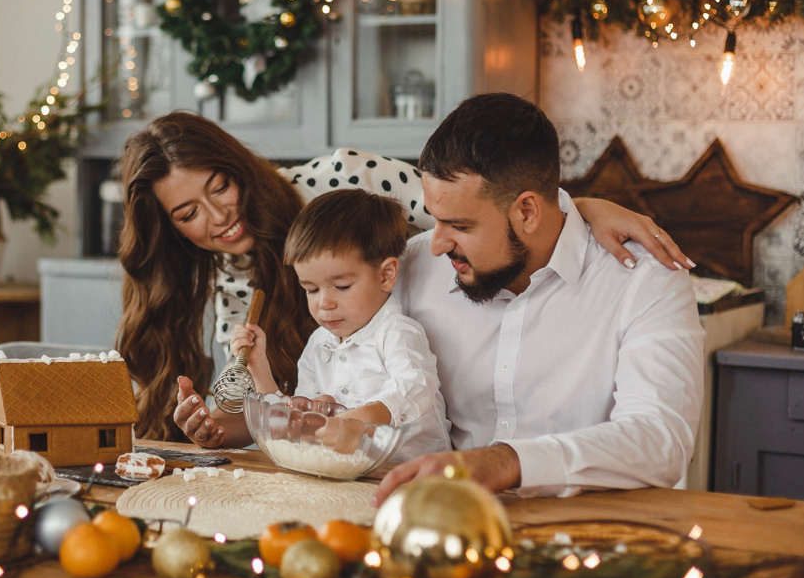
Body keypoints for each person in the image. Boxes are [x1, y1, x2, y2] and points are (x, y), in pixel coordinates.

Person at [116, 110, 689, 443]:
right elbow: (287, 409)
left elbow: (476, 204)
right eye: (189, 214)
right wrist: (218, 425)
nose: (219, 218)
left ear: (238, 166)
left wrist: (582, 209)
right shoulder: (235, 285)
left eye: (219, 187)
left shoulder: (343, 178)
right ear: (170, 231)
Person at [371, 92, 706, 505]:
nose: (438, 244)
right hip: (438, 526)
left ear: (528, 212)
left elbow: (660, 441)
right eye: (435, 219)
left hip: (595, 539)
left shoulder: (644, 280)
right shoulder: (411, 268)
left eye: (458, 224)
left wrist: (505, 463)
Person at [212, 188, 452, 460]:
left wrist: (360, 419)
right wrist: (260, 369)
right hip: (350, 476)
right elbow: (295, 421)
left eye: (341, 286)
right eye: (311, 290)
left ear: (386, 276)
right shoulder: (318, 344)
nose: (324, 303)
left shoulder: (397, 333)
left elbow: (416, 385)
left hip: (413, 476)